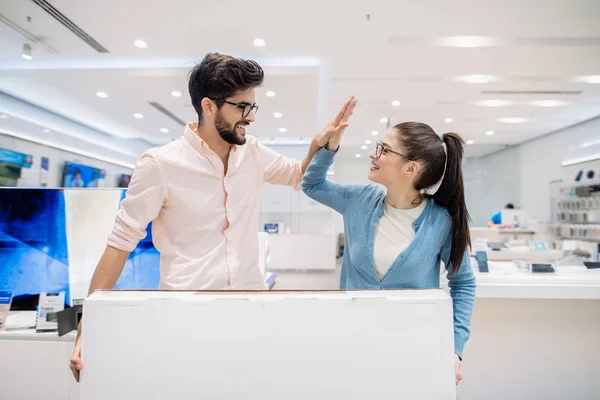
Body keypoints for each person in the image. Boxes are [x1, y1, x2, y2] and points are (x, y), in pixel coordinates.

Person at [69, 52, 356, 381]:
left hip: (251, 308)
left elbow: (296, 175)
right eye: (241, 107)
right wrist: (86, 324)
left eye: (252, 106)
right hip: (186, 315)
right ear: (209, 106)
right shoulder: (160, 164)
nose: (250, 117)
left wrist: (319, 147)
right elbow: (120, 244)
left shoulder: (253, 153)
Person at [302, 120, 476, 386]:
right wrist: (329, 148)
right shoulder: (359, 200)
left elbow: (463, 284)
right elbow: (311, 185)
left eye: (384, 149)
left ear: (411, 168)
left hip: (413, 346)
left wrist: (455, 348)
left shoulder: (441, 222)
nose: (374, 154)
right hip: (352, 340)